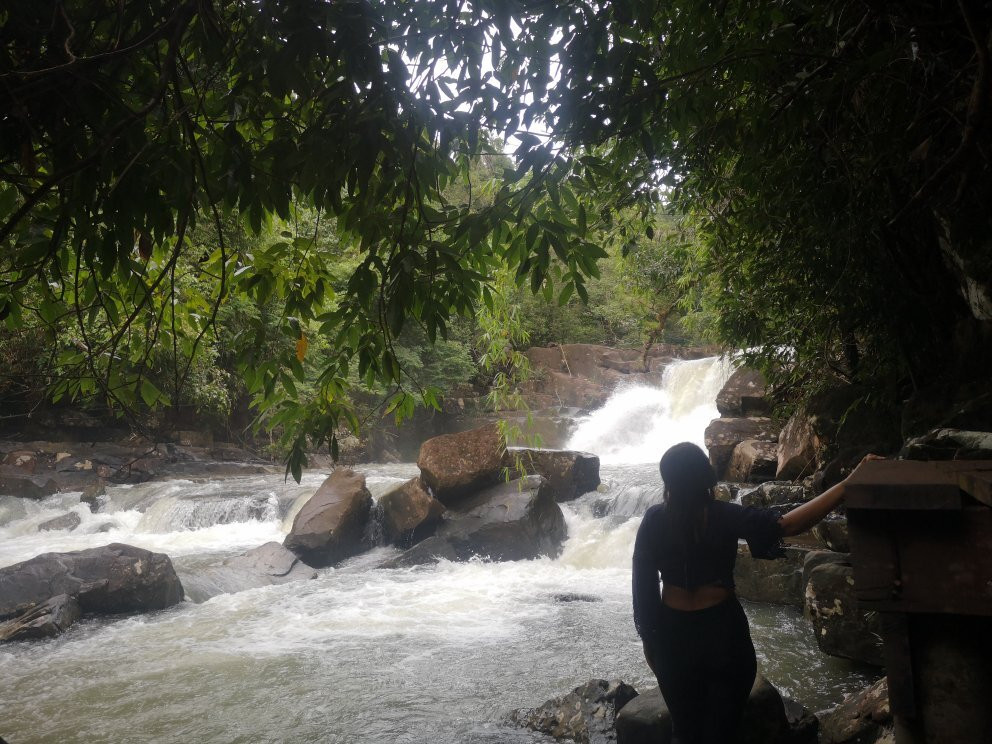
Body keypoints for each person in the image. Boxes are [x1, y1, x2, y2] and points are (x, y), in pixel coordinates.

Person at [632, 441, 879, 744]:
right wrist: (847, 485)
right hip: (723, 633)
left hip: (673, 636)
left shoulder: (654, 520)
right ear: (707, 477)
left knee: (684, 731)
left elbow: (642, 584)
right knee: (723, 732)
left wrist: (650, 640)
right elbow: (788, 524)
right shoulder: (724, 515)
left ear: (667, 481)